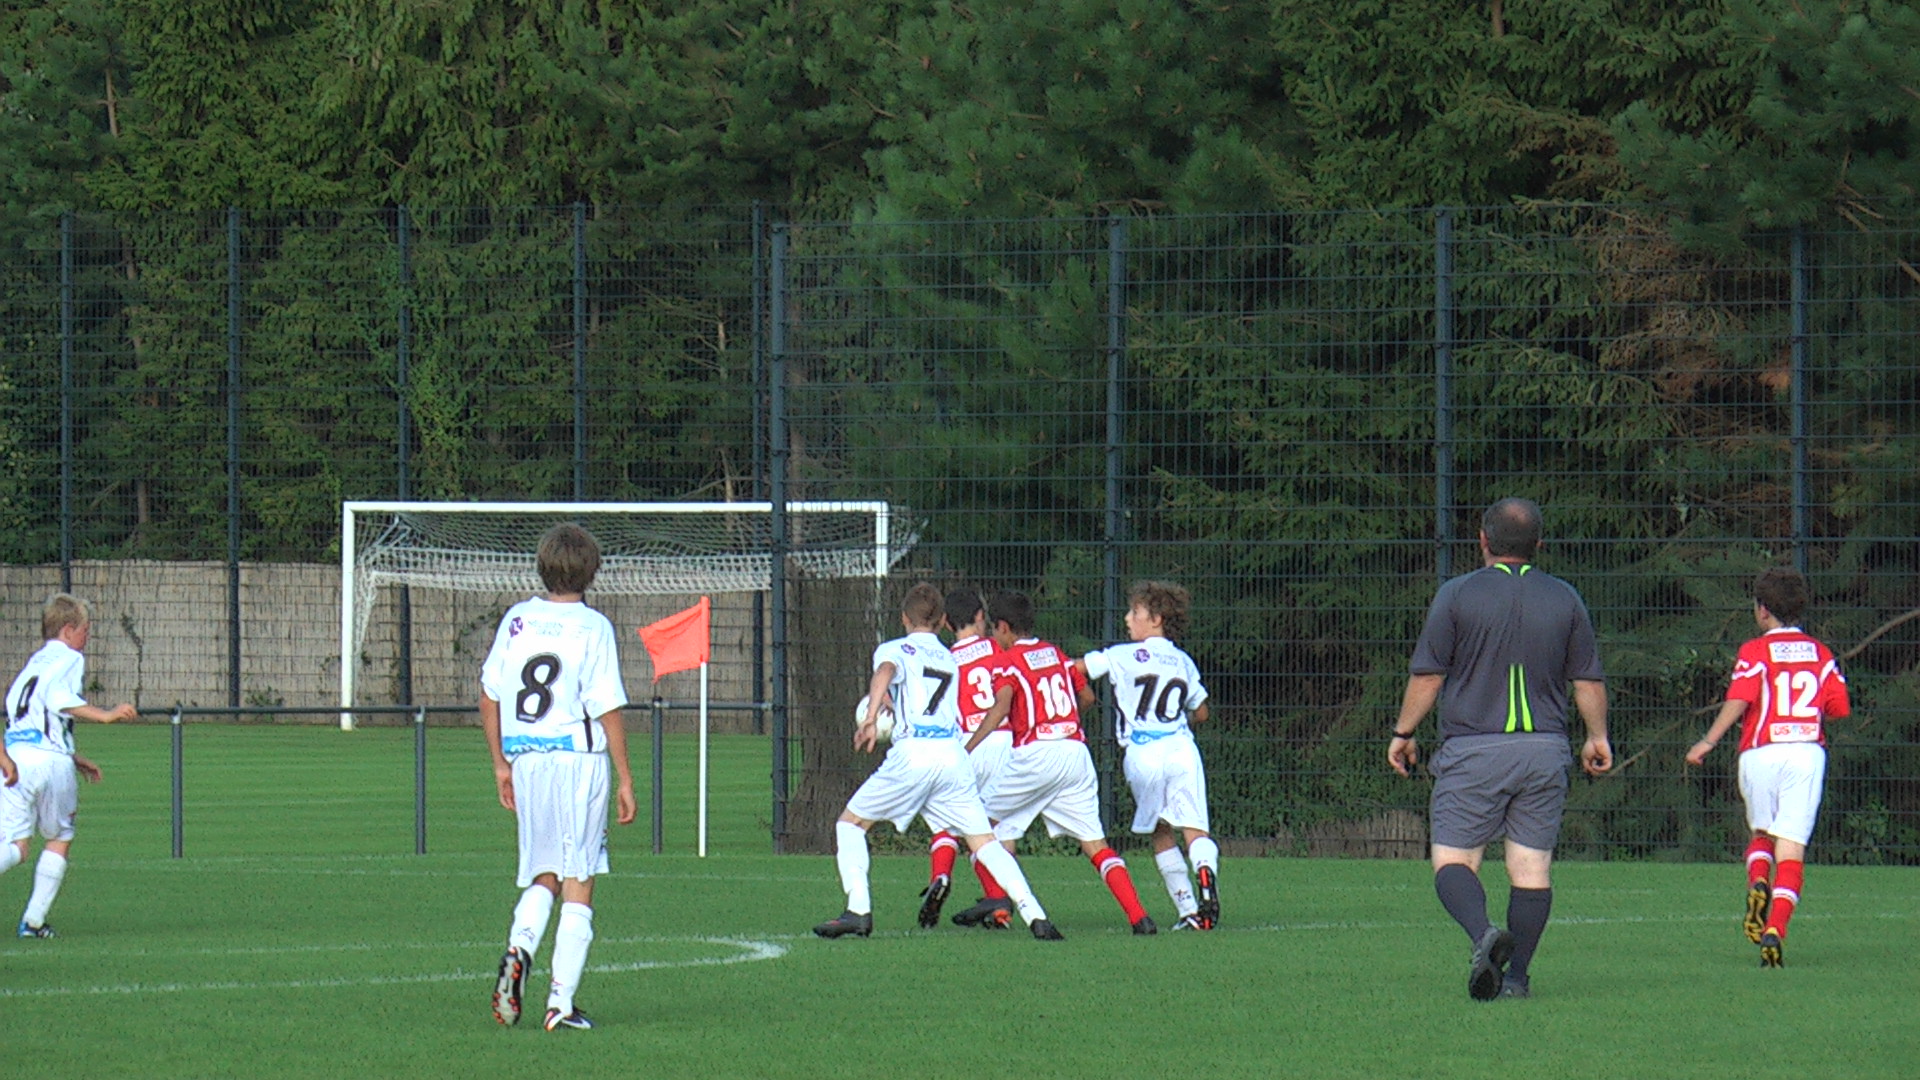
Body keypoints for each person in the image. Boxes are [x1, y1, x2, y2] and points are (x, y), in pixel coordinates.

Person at [1389, 497, 1612, 1001]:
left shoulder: (1456, 594)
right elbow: (1586, 679)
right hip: (1545, 750)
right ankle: (1516, 979)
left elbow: (1429, 675)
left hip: (1473, 748)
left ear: (1483, 540)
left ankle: (1483, 934)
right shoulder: (1565, 598)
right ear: (1539, 545)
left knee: (1453, 860)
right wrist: (1597, 736)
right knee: (1531, 869)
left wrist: (1403, 733)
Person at [814, 582, 1062, 941]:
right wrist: (891, 700)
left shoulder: (894, 648)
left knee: (850, 825)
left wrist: (870, 715)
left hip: (914, 753)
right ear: (942, 619)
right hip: (952, 757)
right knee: (984, 842)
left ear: (904, 618)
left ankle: (858, 910)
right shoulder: (948, 658)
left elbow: (885, 672)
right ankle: (1035, 915)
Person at [480, 524, 637, 1032]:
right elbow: (606, 705)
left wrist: (500, 763)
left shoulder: (518, 619)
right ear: (592, 572)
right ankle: (560, 1003)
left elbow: (490, 693)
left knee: (543, 871)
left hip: (527, 760)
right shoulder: (592, 627)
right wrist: (625, 777)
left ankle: (520, 946)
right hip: (577, 760)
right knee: (580, 877)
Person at [956, 590, 1155, 934]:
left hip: (1036, 755)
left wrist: (968, 747)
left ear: (1003, 627)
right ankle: (1140, 918)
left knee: (975, 824)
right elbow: (1087, 697)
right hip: (1075, 753)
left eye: (995, 630)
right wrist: (1062, 721)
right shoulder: (1054, 653)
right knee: (1095, 845)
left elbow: (1001, 707)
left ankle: (997, 899)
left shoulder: (1008, 660)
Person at [1684, 567, 1849, 969]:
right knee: (1791, 846)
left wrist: (1708, 741)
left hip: (1760, 752)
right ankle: (1775, 929)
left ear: (1762, 610)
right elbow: (1839, 707)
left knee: (1762, 833)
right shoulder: (1820, 653)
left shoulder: (1755, 651)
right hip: (1805, 754)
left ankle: (1758, 879)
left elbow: (1740, 697)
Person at [1078, 580, 1219, 931]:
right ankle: (1205, 874)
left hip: (1143, 752)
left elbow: (1077, 668)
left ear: (1156, 619)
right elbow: (1202, 712)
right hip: (1180, 747)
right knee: (1194, 827)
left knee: (1160, 831)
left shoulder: (1121, 655)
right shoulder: (1183, 661)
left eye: (1135, 612)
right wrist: (1179, 721)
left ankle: (1188, 910)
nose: (1128, 618)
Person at [1, 593, 137, 938]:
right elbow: (59, 700)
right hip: (50, 763)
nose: (87, 637)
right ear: (67, 630)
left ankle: (33, 923)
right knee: (59, 836)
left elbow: (30, 720)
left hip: (14, 761)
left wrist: (74, 758)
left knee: (16, 847)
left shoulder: (32, 666)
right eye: (85, 630)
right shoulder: (70, 658)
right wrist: (105, 715)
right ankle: (33, 923)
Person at [916, 586, 1011, 929]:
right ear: (981, 616)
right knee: (988, 832)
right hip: (1005, 742)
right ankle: (999, 908)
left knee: (947, 822)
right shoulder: (998, 647)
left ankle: (940, 875)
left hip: (968, 745)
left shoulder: (946, 660)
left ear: (945, 623)